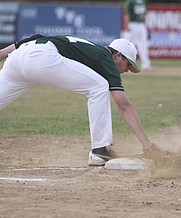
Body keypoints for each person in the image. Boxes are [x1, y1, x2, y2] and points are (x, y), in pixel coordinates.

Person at [0, 34, 160, 166]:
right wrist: (148, 145)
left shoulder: (91, 50)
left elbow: (36, 36)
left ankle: (101, 150)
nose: (126, 70)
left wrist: (1, 53)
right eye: (127, 65)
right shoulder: (106, 58)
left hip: (17, 58)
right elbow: (124, 106)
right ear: (118, 55)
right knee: (99, 87)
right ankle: (100, 150)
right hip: (43, 57)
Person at [122, 0, 153, 71]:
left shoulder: (143, 1)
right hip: (132, 23)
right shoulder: (130, 1)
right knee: (127, 44)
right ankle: (122, 63)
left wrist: (145, 26)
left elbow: (144, 15)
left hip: (141, 24)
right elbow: (126, 14)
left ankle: (146, 64)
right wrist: (126, 26)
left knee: (143, 44)